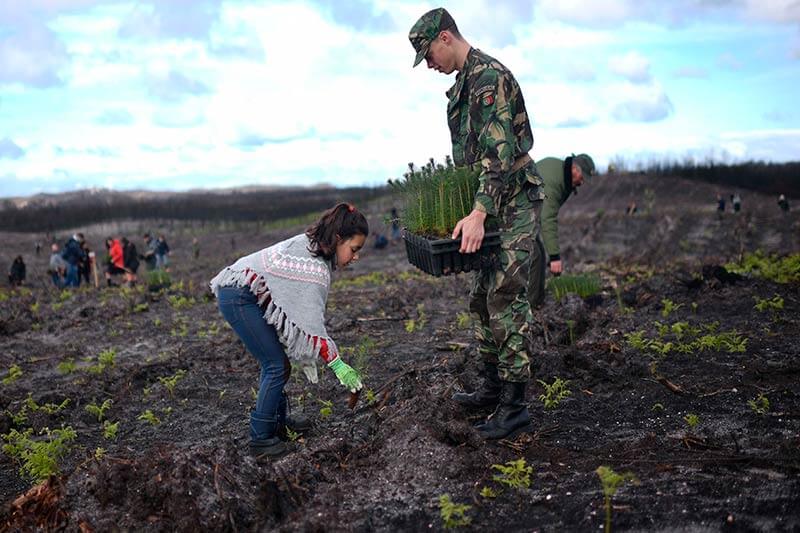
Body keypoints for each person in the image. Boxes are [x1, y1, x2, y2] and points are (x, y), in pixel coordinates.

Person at [409, 7, 545, 440]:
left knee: (505, 295)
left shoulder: (488, 79)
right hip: (488, 201)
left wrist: (480, 212)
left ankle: (514, 405)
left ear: (445, 37)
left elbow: (498, 155)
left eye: (428, 54)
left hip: (514, 200)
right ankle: (492, 386)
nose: (429, 65)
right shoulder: (464, 84)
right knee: (481, 295)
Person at [210, 203, 368, 459]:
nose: (356, 256)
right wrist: (338, 365)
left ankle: (278, 423)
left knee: (277, 362)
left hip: (248, 292)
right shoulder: (314, 267)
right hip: (237, 294)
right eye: (354, 249)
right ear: (339, 239)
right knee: (275, 364)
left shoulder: (313, 246)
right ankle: (261, 439)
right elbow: (312, 325)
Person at [527, 154, 596, 308]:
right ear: (574, 168)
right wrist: (555, 257)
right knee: (535, 255)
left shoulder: (563, 175)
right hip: (515, 213)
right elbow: (548, 217)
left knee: (538, 254)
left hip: (527, 215)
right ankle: (529, 307)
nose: (582, 181)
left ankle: (537, 303)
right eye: (582, 176)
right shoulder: (554, 180)